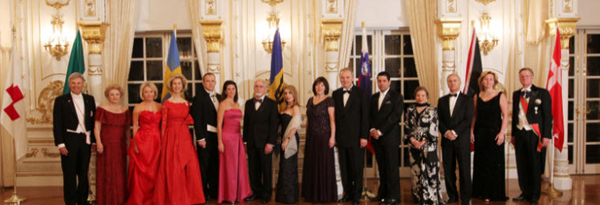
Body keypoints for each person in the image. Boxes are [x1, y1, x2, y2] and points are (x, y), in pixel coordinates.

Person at [153, 74, 205, 204]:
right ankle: (174, 198)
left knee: (189, 164)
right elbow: (163, 123)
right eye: (175, 83)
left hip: (184, 135)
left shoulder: (187, 103)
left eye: (179, 84)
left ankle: (190, 197)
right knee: (173, 166)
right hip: (170, 136)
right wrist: (162, 140)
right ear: (171, 86)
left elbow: (189, 120)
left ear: (183, 86)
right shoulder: (166, 103)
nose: (177, 86)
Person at [53, 72, 96, 205]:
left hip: (85, 140)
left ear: (83, 84)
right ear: (69, 84)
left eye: (78, 83)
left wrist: (93, 141)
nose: (76, 86)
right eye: (73, 83)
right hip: (69, 140)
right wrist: (60, 144)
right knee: (69, 173)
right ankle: (70, 201)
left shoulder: (90, 99)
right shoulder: (61, 100)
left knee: (83, 172)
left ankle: (82, 200)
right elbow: (57, 123)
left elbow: (93, 121)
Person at [511, 68, 552, 205]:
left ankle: (535, 194)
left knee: (534, 164)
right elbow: (515, 116)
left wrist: (546, 136)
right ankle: (525, 191)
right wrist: (513, 135)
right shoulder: (516, 94)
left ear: (532, 77)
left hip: (535, 134)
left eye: (527, 76)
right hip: (520, 133)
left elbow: (547, 116)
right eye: (522, 76)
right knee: (522, 164)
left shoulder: (542, 93)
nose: (524, 78)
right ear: (519, 78)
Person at [332, 68, 369, 204]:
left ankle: (356, 195)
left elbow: (365, 116)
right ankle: (347, 192)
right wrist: (334, 136)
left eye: (347, 77)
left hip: (357, 138)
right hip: (341, 137)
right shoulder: (335, 94)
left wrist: (364, 136)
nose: (345, 80)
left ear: (353, 78)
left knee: (356, 168)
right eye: (342, 78)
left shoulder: (361, 93)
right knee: (344, 167)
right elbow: (334, 118)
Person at [470, 71, 509, 202]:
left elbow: (506, 116)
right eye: (485, 79)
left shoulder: (500, 95)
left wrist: (502, 133)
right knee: (481, 163)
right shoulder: (477, 96)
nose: (488, 81)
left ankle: (493, 193)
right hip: (480, 133)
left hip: (495, 134)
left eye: (491, 79)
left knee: (493, 163)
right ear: (482, 81)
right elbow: (475, 115)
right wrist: (471, 131)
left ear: (494, 81)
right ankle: (481, 192)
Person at [438, 73, 473, 205]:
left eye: (455, 81)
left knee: (464, 169)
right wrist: (446, 132)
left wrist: (454, 132)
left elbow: (468, 119)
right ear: (447, 84)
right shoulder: (441, 100)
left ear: (460, 83)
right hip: (447, 140)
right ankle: (452, 196)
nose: (452, 83)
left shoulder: (467, 99)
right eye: (450, 81)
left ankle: (465, 198)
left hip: (462, 139)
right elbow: (439, 120)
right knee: (448, 169)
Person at [369, 71, 404, 205]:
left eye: (384, 80)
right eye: (379, 81)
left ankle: (394, 196)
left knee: (392, 168)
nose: (381, 83)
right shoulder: (373, 97)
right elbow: (370, 116)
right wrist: (372, 130)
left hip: (390, 138)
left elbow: (395, 117)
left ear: (389, 82)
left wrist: (381, 131)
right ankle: (382, 194)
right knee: (382, 167)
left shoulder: (396, 97)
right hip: (377, 138)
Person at [302, 77, 337, 203]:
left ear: (326, 87)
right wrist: (306, 136)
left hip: (324, 137)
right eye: (317, 85)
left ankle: (324, 195)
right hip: (311, 137)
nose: (319, 87)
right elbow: (308, 120)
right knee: (312, 165)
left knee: (323, 165)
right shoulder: (310, 100)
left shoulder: (329, 100)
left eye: (322, 85)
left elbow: (332, 120)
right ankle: (312, 194)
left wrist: (332, 137)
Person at [243, 79, 279, 203]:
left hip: (265, 144)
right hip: (252, 143)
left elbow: (274, 125)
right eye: (256, 86)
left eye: (261, 86)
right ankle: (255, 192)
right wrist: (245, 142)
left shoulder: (272, 104)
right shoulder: (248, 103)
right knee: (253, 170)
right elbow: (246, 124)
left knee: (266, 170)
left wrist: (270, 143)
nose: (258, 89)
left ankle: (266, 194)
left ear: (265, 89)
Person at [93, 84, 130, 205]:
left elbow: (127, 130)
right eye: (112, 95)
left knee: (119, 172)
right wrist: (98, 142)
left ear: (121, 96)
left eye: (117, 95)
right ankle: (106, 200)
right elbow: (97, 127)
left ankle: (119, 200)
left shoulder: (125, 110)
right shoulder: (101, 109)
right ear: (108, 96)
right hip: (106, 145)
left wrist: (128, 143)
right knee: (107, 172)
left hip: (120, 146)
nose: (115, 97)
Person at [405, 86, 443, 205]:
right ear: (415, 96)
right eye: (418, 95)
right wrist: (413, 140)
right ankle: (418, 197)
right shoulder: (410, 109)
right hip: (414, 145)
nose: (420, 98)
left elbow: (434, 127)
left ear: (427, 96)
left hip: (429, 145)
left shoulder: (433, 110)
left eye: (423, 95)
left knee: (429, 171)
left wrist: (423, 141)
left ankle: (430, 198)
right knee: (416, 171)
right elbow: (407, 127)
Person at [126, 82, 162, 205]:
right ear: (142, 94)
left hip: (157, 140)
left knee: (156, 169)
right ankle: (140, 198)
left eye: (151, 91)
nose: (149, 94)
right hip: (143, 140)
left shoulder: (160, 106)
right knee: (142, 171)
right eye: (146, 92)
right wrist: (135, 143)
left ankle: (155, 198)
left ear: (155, 93)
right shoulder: (138, 108)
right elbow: (135, 126)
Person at [218, 80, 252, 203]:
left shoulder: (237, 104)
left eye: (233, 88)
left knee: (239, 166)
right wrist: (220, 142)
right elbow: (219, 125)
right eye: (229, 89)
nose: (231, 91)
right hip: (227, 137)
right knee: (230, 167)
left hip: (238, 137)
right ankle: (230, 195)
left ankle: (239, 194)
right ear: (225, 91)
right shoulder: (222, 104)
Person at [190, 73, 221, 202]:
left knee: (215, 164)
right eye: (208, 81)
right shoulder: (198, 98)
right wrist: (200, 138)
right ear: (203, 83)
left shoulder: (220, 97)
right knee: (204, 166)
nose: (210, 83)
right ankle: (203, 193)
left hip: (218, 137)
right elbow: (197, 120)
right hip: (205, 137)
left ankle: (214, 191)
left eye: (213, 81)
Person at [275, 85, 301, 204]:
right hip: (283, 140)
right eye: (285, 93)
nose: (287, 95)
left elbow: (295, 126)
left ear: (294, 94)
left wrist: (287, 140)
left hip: (291, 140)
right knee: (284, 167)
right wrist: (280, 138)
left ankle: (290, 197)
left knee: (288, 167)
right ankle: (283, 197)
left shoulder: (296, 107)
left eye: (290, 93)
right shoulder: (285, 108)